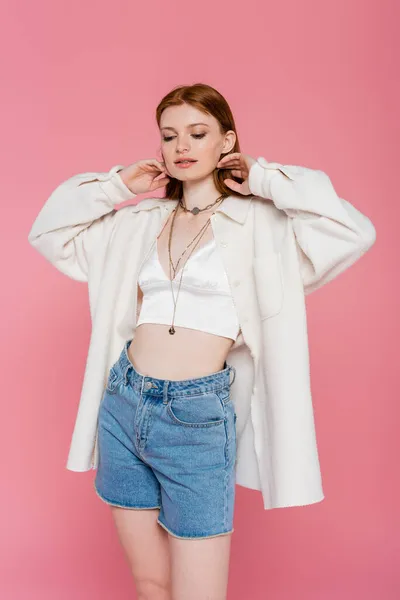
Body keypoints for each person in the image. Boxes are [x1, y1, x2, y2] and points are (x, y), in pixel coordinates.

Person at [28, 83, 376, 600]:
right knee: (150, 582)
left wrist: (262, 178)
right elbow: (49, 233)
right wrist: (116, 187)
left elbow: (354, 231)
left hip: (197, 416)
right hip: (124, 403)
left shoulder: (262, 224)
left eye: (197, 133)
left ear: (226, 141)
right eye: (169, 136)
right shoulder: (138, 222)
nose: (181, 147)